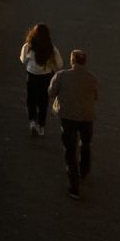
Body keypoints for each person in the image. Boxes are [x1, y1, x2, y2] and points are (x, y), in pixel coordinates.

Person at [49, 49, 98, 200]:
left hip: (68, 117)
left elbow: (51, 93)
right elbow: (96, 96)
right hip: (87, 117)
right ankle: (84, 171)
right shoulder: (92, 78)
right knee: (85, 144)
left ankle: (74, 186)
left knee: (70, 150)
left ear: (72, 61)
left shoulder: (61, 76)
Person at [19, 23, 63, 136]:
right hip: (46, 76)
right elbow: (60, 64)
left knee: (31, 99)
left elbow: (23, 60)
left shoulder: (28, 46)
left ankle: (32, 122)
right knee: (43, 101)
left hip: (32, 75)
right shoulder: (51, 48)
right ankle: (41, 126)